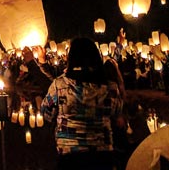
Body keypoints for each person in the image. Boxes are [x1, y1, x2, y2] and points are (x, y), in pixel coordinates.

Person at [41, 38, 123, 170]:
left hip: (70, 154)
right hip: (102, 153)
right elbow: (117, 113)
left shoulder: (60, 85)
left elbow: (46, 113)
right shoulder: (110, 88)